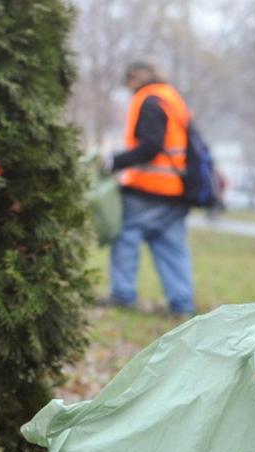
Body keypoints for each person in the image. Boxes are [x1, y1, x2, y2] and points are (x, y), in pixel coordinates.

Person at [103, 61, 195, 317]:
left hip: (148, 188)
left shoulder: (150, 100)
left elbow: (151, 146)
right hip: (176, 189)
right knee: (171, 245)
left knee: (126, 237)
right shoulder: (171, 97)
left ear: (134, 78)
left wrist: (115, 161)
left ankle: (122, 294)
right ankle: (182, 303)